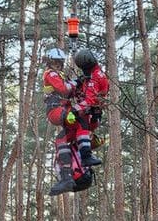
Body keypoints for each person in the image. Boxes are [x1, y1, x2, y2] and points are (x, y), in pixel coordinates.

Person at [42, 48, 101, 196]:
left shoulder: (58, 75)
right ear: (50, 62)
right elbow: (64, 89)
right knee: (81, 119)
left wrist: (83, 83)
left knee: (62, 139)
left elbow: (72, 90)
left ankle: (66, 177)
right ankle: (86, 155)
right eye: (55, 62)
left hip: (61, 111)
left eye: (60, 63)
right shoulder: (51, 74)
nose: (58, 65)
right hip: (57, 110)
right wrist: (78, 81)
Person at [72, 48, 110, 135]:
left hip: (92, 113)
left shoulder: (95, 77)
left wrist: (75, 109)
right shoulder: (96, 72)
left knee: (82, 133)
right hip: (90, 110)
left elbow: (90, 100)